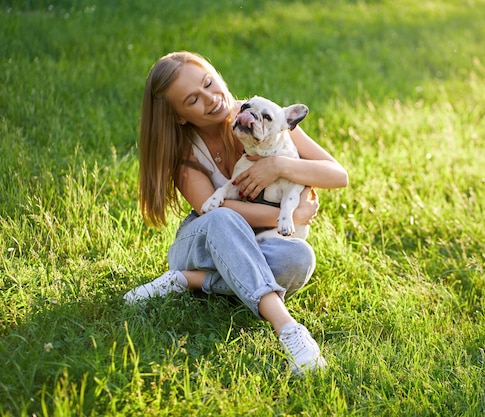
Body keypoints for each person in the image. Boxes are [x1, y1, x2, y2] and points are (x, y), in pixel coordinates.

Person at [123, 51, 348, 375]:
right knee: (224, 217)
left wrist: (278, 165)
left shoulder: (265, 117)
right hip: (203, 241)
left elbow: (338, 175)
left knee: (298, 258)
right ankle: (287, 328)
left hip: (256, 244)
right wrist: (288, 217)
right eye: (193, 99)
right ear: (180, 116)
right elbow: (215, 209)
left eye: (209, 83)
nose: (211, 99)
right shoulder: (186, 151)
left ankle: (189, 282)